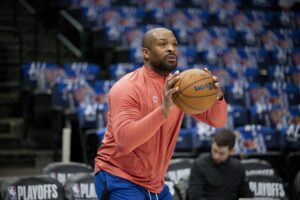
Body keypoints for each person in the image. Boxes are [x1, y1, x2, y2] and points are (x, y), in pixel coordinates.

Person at [94, 27, 227, 200]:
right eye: (163, 44)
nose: (171, 48)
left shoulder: (180, 87)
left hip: (155, 183)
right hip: (119, 176)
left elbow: (218, 121)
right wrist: (163, 110)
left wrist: (217, 97)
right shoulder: (127, 87)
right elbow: (125, 143)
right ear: (146, 53)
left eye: (174, 44)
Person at [187, 129, 254, 200]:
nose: (216, 156)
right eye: (214, 150)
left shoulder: (238, 167)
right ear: (212, 144)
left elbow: (246, 196)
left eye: (221, 153)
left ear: (231, 151)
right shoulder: (199, 165)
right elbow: (195, 196)